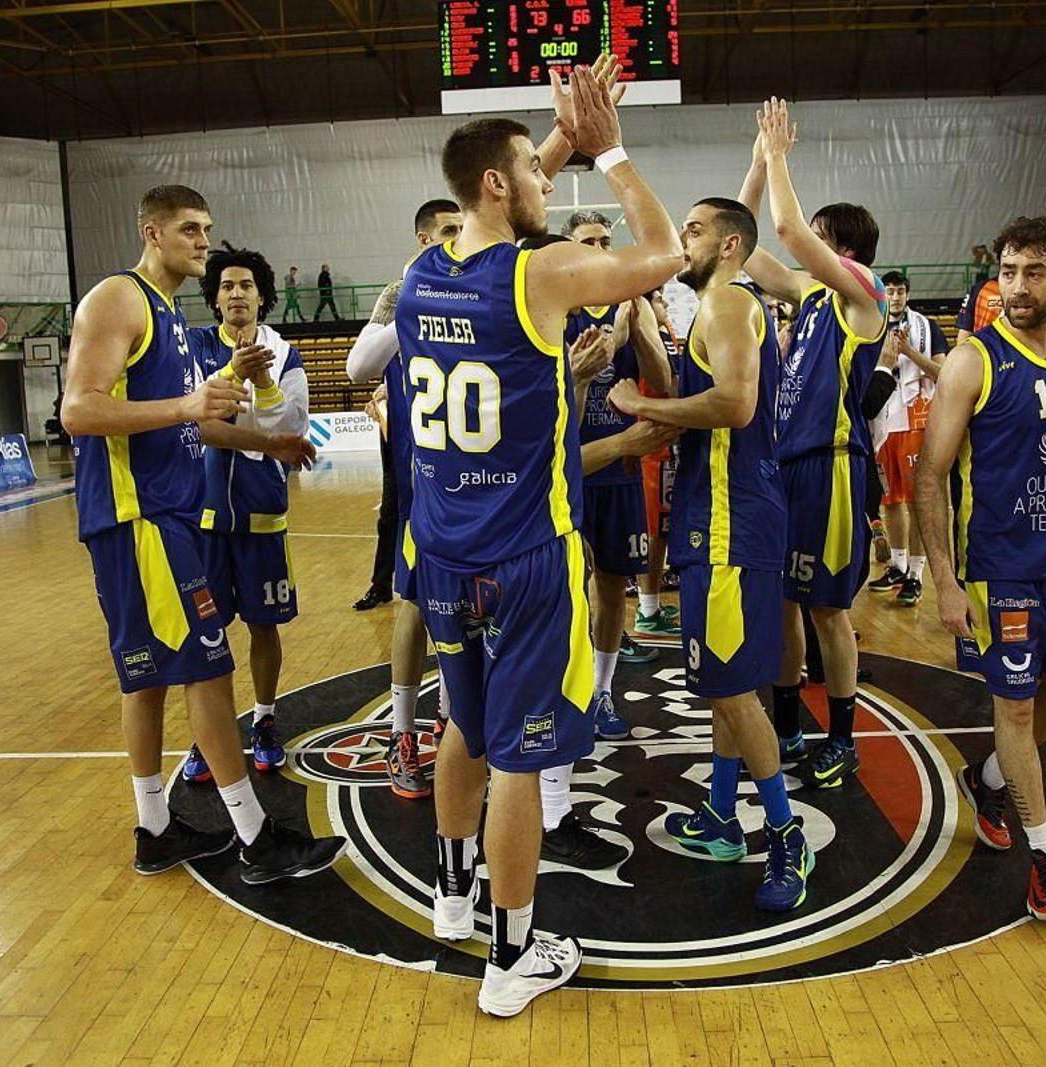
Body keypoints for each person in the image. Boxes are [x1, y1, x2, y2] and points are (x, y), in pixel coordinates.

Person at [401, 61, 681, 1016]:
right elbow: (663, 253)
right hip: (526, 552)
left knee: (464, 725)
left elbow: (505, 203)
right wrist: (610, 148)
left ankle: (451, 898)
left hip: (445, 552)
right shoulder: (544, 272)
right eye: (534, 171)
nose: (548, 183)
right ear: (495, 183)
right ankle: (511, 959)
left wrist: (552, 138)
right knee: (520, 757)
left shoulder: (420, 276)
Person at [59, 183, 343, 885]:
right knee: (209, 670)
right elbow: (78, 411)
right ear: (151, 231)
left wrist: (266, 441)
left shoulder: (168, 316)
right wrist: (189, 403)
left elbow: (198, 424)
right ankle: (255, 837)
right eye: (189, 228)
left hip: (163, 519)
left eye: (206, 229)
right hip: (142, 519)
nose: (203, 242)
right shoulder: (118, 298)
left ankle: (155, 829)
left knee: (148, 680)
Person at [607, 197, 813, 911]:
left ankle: (785, 833)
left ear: (729, 245)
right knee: (729, 683)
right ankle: (723, 815)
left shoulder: (727, 303)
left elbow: (734, 404)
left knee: (728, 689)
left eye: (693, 230)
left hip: (730, 525)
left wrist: (642, 407)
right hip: (723, 520)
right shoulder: (718, 309)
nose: (682, 241)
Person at [914, 215, 1046, 924]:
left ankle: (988, 777)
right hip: (1000, 566)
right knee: (1018, 706)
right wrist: (944, 579)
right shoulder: (974, 359)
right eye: (1008, 272)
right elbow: (930, 473)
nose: (1018, 286)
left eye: (1034, 272)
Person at [737, 99, 888, 782]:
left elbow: (788, 229)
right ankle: (790, 724)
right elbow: (741, 246)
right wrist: (755, 163)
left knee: (828, 609)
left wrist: (779, 157)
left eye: (822, 242)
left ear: (843, 251)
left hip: (831, 469)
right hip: (787, 468)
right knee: (784, 606)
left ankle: (845, 738)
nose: (808, 250)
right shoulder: (811, 296)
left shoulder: (864, 296)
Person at [178, 243, 311, 788]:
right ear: (215, 299)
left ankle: (264, 720)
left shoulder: (285, 353)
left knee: (263, 626)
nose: (237, 293)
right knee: (207, 635)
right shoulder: (194, 347)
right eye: (227, 286)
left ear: (262, 297)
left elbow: (293, 426)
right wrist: (236, 374)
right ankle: (209, 735)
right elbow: (199, 419)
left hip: (262, 515)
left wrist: (264, 382)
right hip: (203, 516)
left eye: (247, 286)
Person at [346, 198, 466, 797]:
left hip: (474, 490)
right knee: (415, 608)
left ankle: (449, 719)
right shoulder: (399, 294)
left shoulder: (479, 289)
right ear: (423, 239)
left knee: (465, 615)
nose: (458, 239)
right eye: (448, 231)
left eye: (462, 230)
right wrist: (421, 303)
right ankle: (400, 734)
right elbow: (357, 366)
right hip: (421, 490)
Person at [562, 209, 675, 745]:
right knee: (565, 588)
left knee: (611, 586)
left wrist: (636, 332)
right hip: (568, 470)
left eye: (606, 241)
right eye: (588, 242)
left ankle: (602, 690)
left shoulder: (631, 303)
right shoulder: (554, 306)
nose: (600, 250)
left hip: (619, 469)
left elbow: (663, 381)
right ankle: (566, 688)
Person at [866, 270, 945, 607]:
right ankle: (897, 566)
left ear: (908, 295)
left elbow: (944, 373)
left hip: (917, 422)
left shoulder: (928, 328)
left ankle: (916, 573)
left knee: (917, 502)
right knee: (890, 501)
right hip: (883, 421)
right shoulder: (872, 325)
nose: (895, 297)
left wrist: (910, 352)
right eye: (890, 291)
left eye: (900, 291)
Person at [633, 285, 684, 635]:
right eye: (657, 296)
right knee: (654, 532)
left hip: (665, 444)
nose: (664, 301)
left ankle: (650, 604)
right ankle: (647, 610)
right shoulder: (645, 331)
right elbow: (669, 385)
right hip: (653, 445)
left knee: (660, 531)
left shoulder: (665, 330)